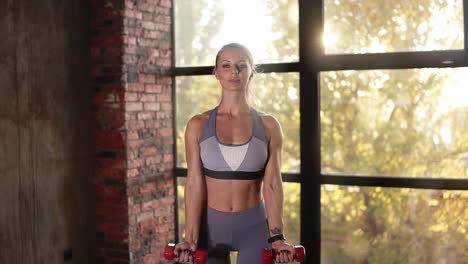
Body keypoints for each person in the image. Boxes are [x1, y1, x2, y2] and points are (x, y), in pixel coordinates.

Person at [174, 43, 295, 264]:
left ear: (252, 72)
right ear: (216, 73)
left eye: (241, 65)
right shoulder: (197, 125)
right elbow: (193, 183)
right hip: (210, 229)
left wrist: (277, 238)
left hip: (254, 228)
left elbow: (272, 185)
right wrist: (190, 238)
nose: (234, 72)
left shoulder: (269, 126)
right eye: (226, 65)